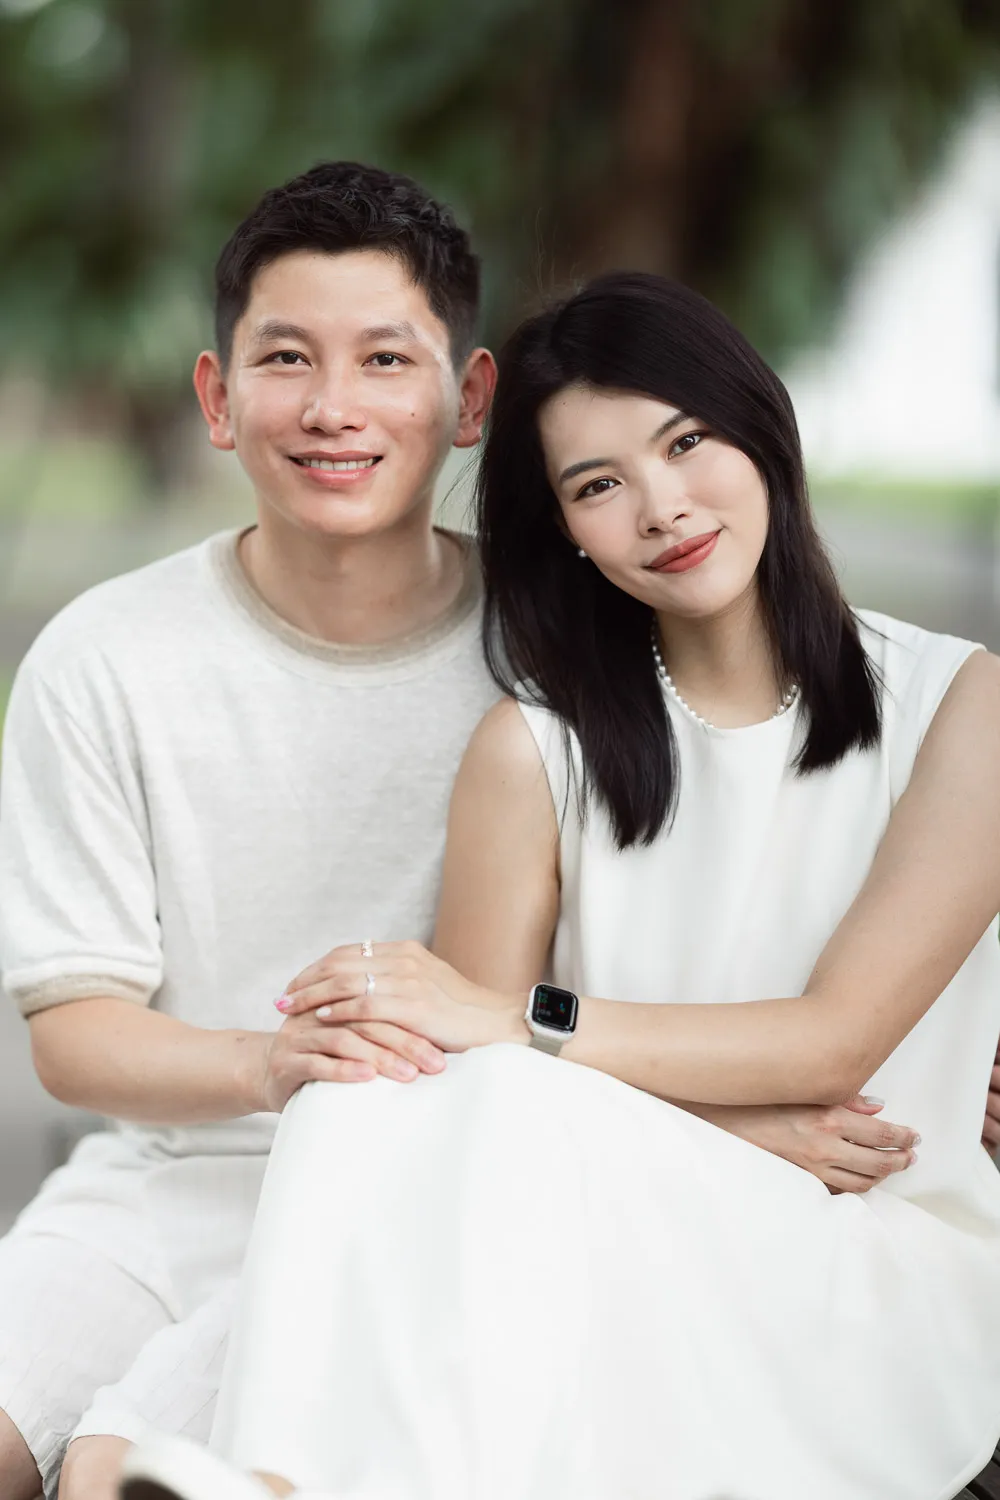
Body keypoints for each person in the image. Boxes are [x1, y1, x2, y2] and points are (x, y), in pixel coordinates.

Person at [119, 272, 1000, 1500]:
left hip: (876, 1262)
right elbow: (451, 1106)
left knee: (468, 1076)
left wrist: (523, 1020)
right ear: (566, 532)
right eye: (598, 486)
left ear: (759, 425)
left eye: (685, 442)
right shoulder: (534, 753)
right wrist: (725, 1129)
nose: (661, 507)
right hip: (624, 1231)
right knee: (366, 1087)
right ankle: (277, 1480)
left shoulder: (960, 706)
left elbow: (834, 1041)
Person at [0, 159, 500, 1500]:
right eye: (287, 358)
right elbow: (75, 1032)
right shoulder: (106, 657)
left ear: (468, 400)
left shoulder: (553, 656)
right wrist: (274, 1061)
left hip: (416, 1212)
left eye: (386, 358)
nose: (333, 408)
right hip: (154, 1195)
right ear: (220, 400)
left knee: (126, 1478)